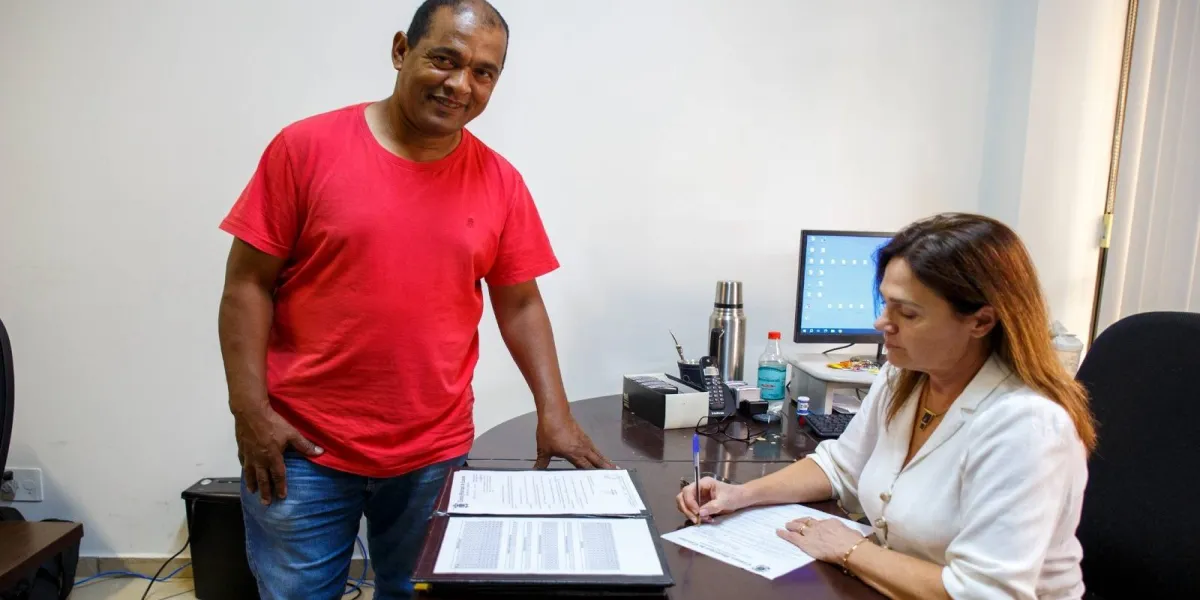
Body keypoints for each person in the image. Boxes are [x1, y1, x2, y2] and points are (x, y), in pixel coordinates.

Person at [216, 1, 611, 598]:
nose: (460, 85)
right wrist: (249, 411)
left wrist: (554, 413)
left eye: (483, 72)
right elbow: (247, 285)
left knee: (415, 592)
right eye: (445, 60)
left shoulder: (500, 181)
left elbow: (521, 303)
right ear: (402, 50)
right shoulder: (304, 148)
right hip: (300, 445)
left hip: (433, 451)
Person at [677, 213, 1096, 599]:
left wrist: (851, 551)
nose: (882, 323)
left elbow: (984, 593)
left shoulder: (1026, 425)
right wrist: (740, 495)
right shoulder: (905, 376)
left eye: (908, 313)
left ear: (981, 321)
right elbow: (841, 467)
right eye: (885, 303)